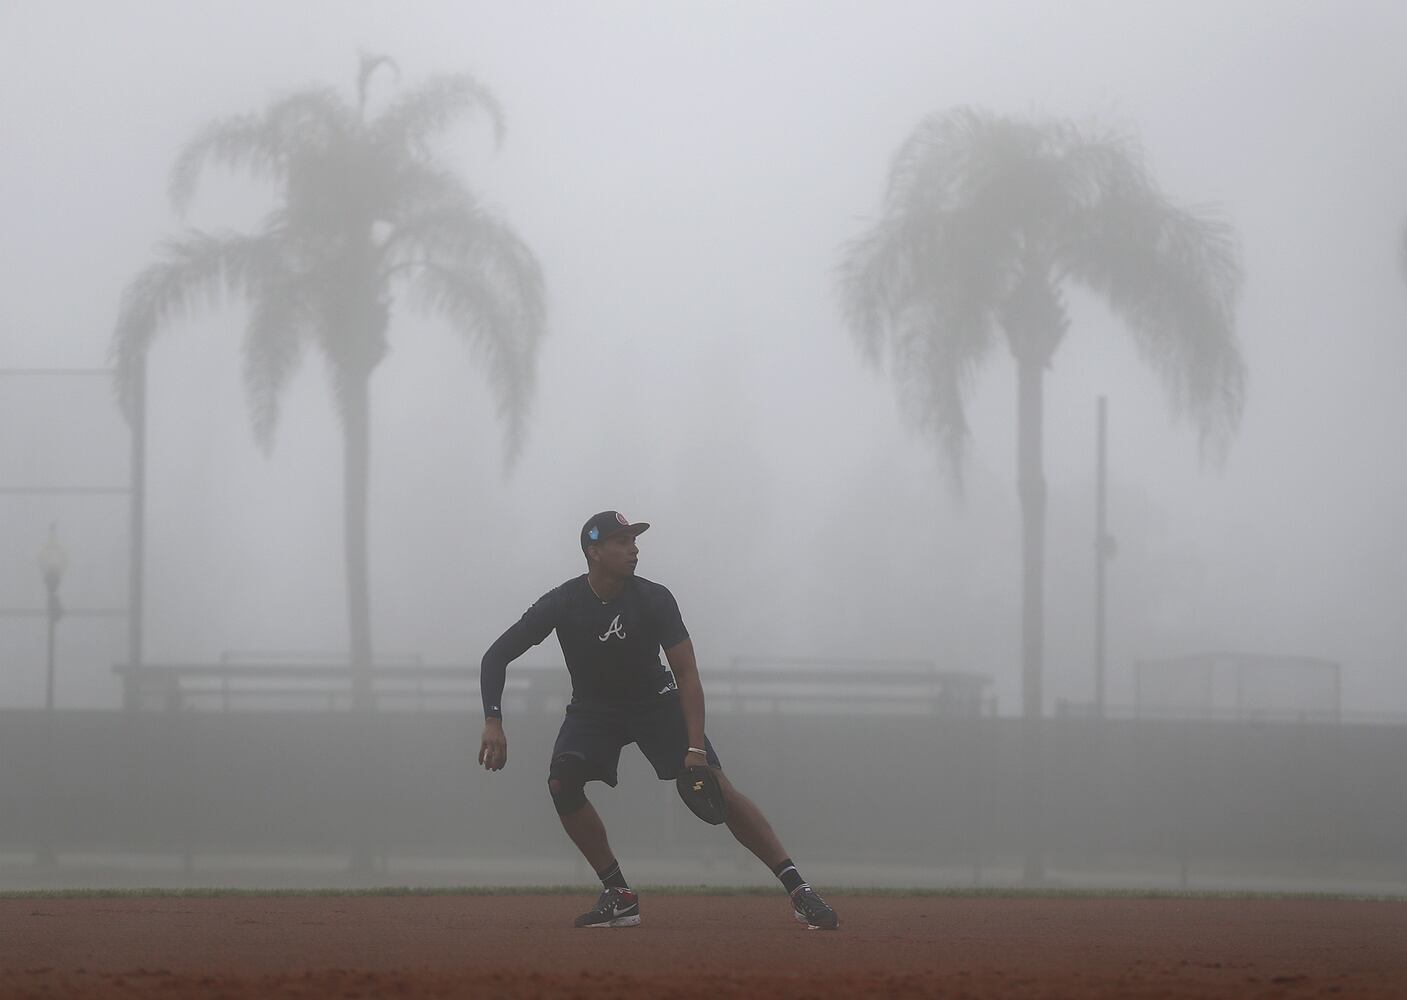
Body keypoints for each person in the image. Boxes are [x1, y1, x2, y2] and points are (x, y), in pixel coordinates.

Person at [478, 510, 839, 930]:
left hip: (656, 701)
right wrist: (493, 720)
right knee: (562, 780)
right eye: (621, 541)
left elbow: (686, 674)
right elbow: (495, 656)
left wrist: (696, 747)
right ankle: (619, 894)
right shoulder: (562, 601)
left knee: (717, 784)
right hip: (594, 709)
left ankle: (798, 889)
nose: (633, 548)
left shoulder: (653, 598)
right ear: (593, 552)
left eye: (634, 539)